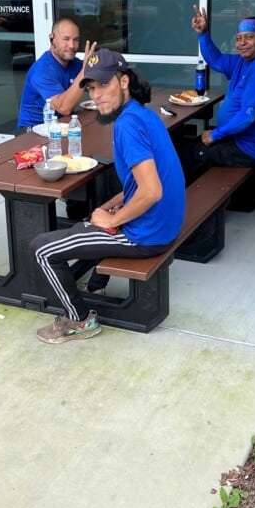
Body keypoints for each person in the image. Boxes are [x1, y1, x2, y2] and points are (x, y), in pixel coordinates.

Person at [30, 48, 186, 345]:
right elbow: (144, 183)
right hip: (164, 223)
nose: (97, 94)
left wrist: (113, 219)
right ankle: (96, 285)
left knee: (42, 248)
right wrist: (114, 204)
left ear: (124, 81)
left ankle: (79, 320)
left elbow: (152, 191)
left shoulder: (127, 124)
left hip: (147, 235)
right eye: (91, 88)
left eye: (104, 85)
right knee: (91, 218)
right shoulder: (142, 113)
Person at [183, 7, 255, 181]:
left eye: (249, 37)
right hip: (239, 138)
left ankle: (189, 204)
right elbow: (215, 60)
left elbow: (248, 116)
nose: (242, 43)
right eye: (239, 38)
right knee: (190, 146)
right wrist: (203, 33)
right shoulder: (243, 62)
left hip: (253, 149)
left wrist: (216, 135)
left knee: (193, 155)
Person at [16, 17, 96, 132]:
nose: (72, 45)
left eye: (76, 40)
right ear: (52, 38)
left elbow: (97, 84)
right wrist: (85, 71)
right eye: (66, 39)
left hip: (61, 125)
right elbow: (64, 107)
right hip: (32, 131)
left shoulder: (75, 64)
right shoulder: (42, 70)